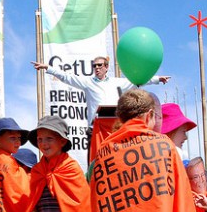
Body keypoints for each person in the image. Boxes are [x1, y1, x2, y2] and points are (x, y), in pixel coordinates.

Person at [32, 58, 170, 155]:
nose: (97, 68)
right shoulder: (88, 82)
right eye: (94, 66)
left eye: (99, 65)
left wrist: (158, 79)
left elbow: (138, 80)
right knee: (96, 157)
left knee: (117, 154)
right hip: (95, 128)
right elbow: (67, 77)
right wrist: (48, 68)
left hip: (115, 126)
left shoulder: (117, 82)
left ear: (106, 67)